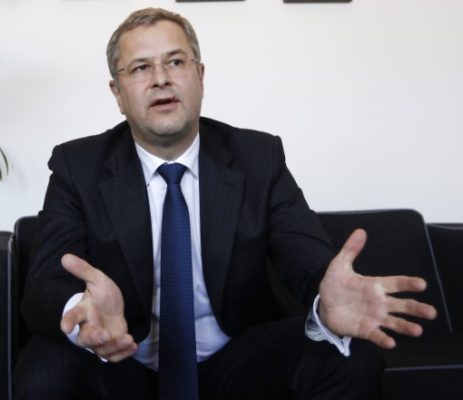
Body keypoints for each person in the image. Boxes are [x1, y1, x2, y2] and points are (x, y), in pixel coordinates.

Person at [14, 7, 436, 400]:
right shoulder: (78, 165)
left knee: (351, 357)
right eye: (141, 67)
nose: (161, 78)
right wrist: (80, 313)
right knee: (43, 368)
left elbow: (304, 259)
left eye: (176, 62)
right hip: (124, 362)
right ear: (118, 93)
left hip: (236, 362)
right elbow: (43, 286)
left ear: (199, 75)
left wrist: (325, 302)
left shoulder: (257, 157)